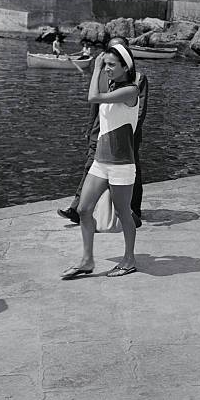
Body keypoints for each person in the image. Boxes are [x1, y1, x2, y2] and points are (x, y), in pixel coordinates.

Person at [61, 42, 140, 280]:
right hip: (101, 162)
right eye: (105, 64)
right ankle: (87, 260)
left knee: (123, 213)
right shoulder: (114, 85)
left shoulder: (131, 91)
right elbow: (98, 98)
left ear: (126, 67)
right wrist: (102, 67)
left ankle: (129, 260)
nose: (106, 68)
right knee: (84, 209)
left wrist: (95, 67)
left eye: (111, 65)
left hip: (122, 165)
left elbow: (93, 97)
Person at [58, 37, 148, 226]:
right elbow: (96, 106)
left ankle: (132, 212)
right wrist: (90, 127)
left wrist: (130, 134)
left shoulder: (138, 79)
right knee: (91, 167)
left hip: (125, 137)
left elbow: (139, 110)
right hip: (102, 133)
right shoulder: (107, 76)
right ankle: (77, 208)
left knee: (130, 175)